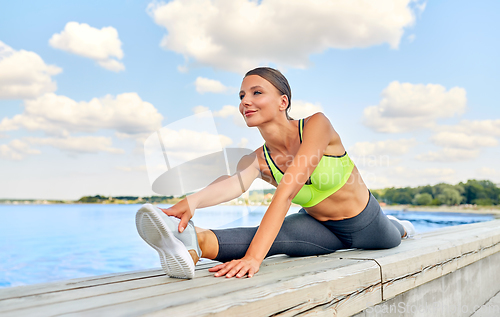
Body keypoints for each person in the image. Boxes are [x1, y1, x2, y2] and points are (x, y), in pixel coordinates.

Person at [135, 67, 415, 279]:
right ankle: (191, 243)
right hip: (318, 226)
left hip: (367, 224)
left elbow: (287, 191)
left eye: (257, 92)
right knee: (271, 238)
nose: (246, 101)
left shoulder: (317, 126)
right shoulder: (258, 158)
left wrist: (254, 259)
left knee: (394, 235)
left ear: (283, 102)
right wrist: (191, 202)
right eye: (242, 95)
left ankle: (400, 226)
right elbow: (233, 184)